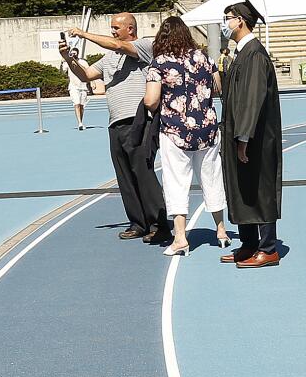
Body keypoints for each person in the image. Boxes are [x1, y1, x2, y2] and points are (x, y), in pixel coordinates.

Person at [64, 14, 169, 246]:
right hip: (116, 122)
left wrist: (83, 34)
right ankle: (138, 223)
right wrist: (68, 59)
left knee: (143, 172)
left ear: (130, 29)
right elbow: (87, 75)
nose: (112, 32)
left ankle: (159, 225)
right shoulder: (109, 58)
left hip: (139, 119)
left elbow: (120, 45)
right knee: (125, 176)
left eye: (116, 28)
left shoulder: (144, 46)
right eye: (111, 28)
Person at [146, 16, 226, 257]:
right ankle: (221, 230)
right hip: (207, 128)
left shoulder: (159, 64)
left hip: (175, 129)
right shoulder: (204, 58)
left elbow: (151, 100)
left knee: (176, 181)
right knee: (211, 176)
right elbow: (217, 87)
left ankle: (180, 237)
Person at [218, 0, 284, 268]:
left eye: (228, 18)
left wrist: (243, 137)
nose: (225, 23)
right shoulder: (242, 53)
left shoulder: (255, 55)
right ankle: (248, 244)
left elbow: (253, 99)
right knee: (242, 187)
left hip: (255, 138)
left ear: (240, 21)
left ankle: (268, 248)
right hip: (240, 134)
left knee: (259, 188)